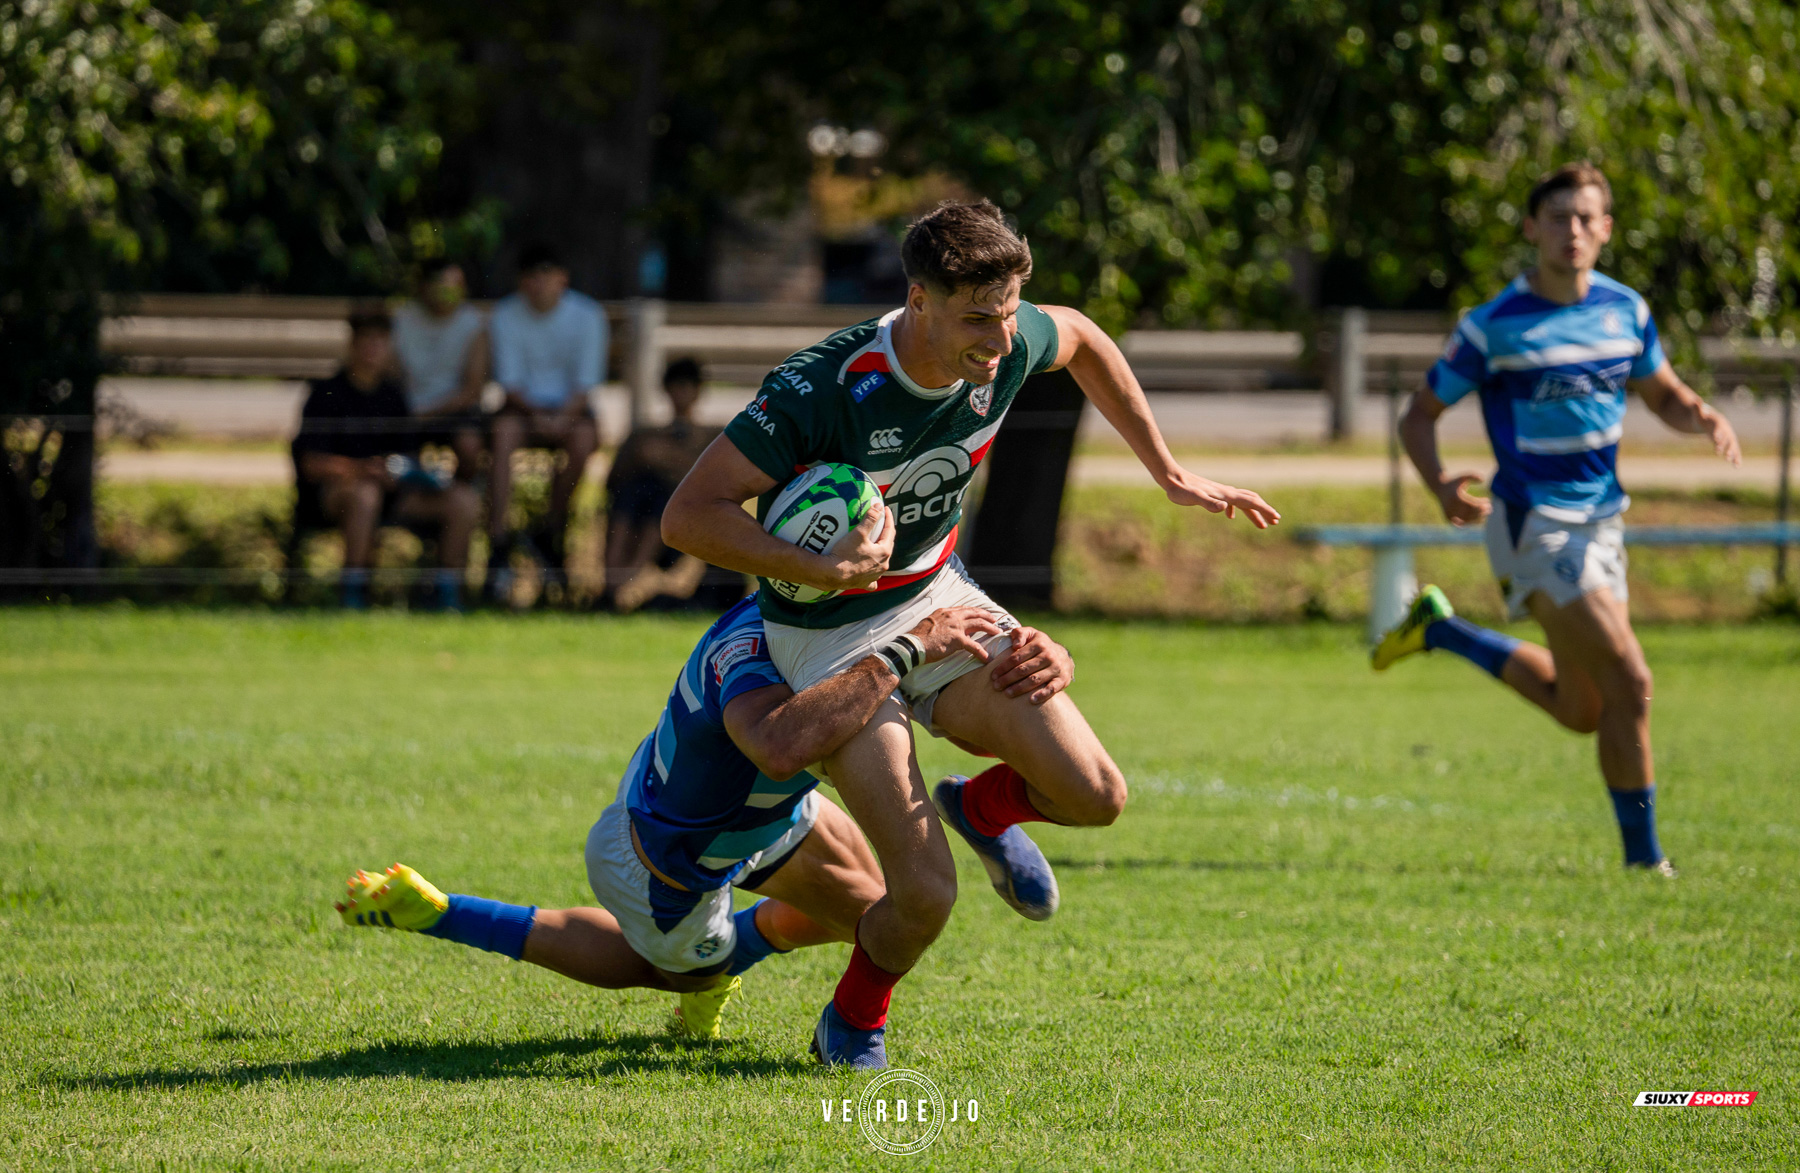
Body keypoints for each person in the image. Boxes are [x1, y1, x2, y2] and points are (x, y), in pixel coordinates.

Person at [659, 200, 1280, 1067]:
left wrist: (1167, 471)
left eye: (1009, 310)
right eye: (976, 318)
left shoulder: (1012, 336)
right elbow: (687, 515)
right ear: (919, 299)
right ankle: (855, 1020)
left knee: (1095, 793)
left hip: (939, 595)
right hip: (825, 635)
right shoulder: (824, 386)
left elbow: (1087, 337)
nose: (998, 339)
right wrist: (823, 569)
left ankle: (981, 806)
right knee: (922, 892)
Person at [335, 599, 1074, 1051]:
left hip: (758, 818)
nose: (872, 567)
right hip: (666, 862)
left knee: (885, 913)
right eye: (856, 555)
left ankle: (728, 956)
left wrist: (1034, 648)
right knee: (659, 969)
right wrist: (911, 648)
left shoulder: (838, 618)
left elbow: (932, 665)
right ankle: (438, 911)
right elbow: (786, 742)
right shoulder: (752, 649)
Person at [1373, 162, 1741, 877]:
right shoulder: (1491, 327)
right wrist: (1440, 483)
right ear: (1532, 228)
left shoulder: (1626, 311)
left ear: (1605, 229)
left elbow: (1659, 390)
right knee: (1631, 682)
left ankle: (1442, 630)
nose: (1573, 230)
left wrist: (1698, 413)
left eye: (1586, 218)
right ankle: (1647, 864)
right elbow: (1417, 417)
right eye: (1559, 217)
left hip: (1605, 523)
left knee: (1583, 707)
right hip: (1532, 526)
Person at [292, 309, 480, 610]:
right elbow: (311, 463)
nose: (372, 349)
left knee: (463, 501)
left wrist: (400, 471)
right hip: (337, 493)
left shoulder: (395, 396)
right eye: (366, 340)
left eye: (380, 341)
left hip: (394, 492)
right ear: (352, 344)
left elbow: (408, 455)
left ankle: (446, 595)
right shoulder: (325, 393)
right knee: (366, 494)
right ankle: (355, 594)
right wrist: (360, 470)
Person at [486, 242, 608, 596]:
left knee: (585, 440)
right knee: (503, 433)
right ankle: (498, 538)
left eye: (546, 275)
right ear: (522, 282)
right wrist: (539, 416)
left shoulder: (587, 315)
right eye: (532, 277)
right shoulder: (505, 315)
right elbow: (508, 385)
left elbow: (586, 385)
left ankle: (553, 528)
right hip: (521, 411)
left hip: (571, 412)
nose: (539, 284)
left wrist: (560, 419)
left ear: (562, 279)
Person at [603, 357, 723, 611]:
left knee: (664, 499)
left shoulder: (715, 438)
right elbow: (612, 481)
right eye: (676, 387)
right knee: (634, 492)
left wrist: (666, 457)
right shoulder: (645, 436)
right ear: (666, 390)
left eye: (686, 387)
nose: (681, 394)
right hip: (635, 516)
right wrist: (643, 455)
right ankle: (612, 584)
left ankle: (625, 582)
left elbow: (712, 482)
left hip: (684, 526)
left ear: (698, 391)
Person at [391, 260, 489, 483]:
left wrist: (427, 414)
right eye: (444, 287)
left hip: (454, 412)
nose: (451, 293)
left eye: (457, 287)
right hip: (407, 411)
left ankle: (462, 498)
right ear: (424, 287)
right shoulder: (401, 320)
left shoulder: (474, 325)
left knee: (470, 444)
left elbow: (473, 391)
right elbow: (392, 376)